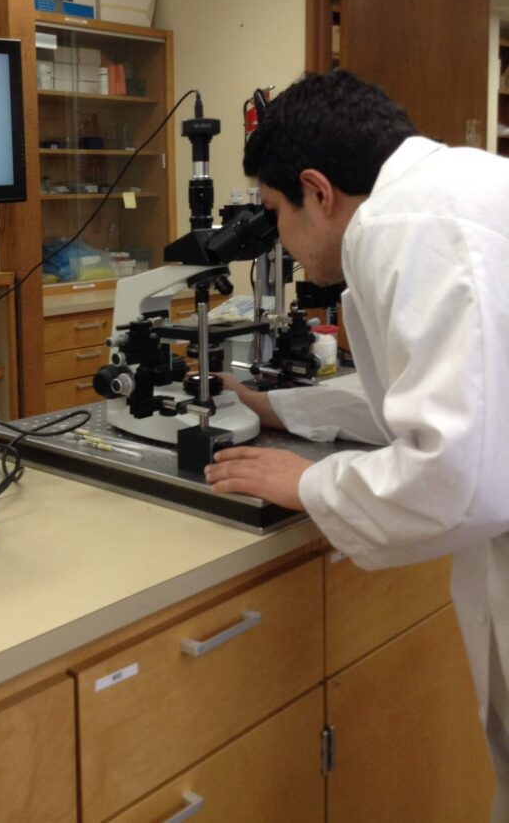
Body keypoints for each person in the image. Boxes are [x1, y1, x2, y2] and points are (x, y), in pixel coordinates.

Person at [204, 69, 509, 819]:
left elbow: (459, 475)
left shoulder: (402, 230)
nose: (278, 236)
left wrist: (306, 483)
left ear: (317, 190)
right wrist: (279, 409)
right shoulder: (462, 187)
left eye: (275, 211)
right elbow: (447, 391)